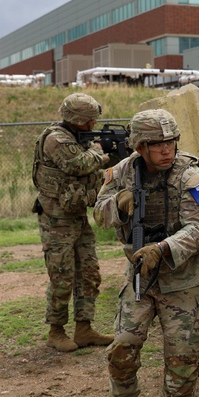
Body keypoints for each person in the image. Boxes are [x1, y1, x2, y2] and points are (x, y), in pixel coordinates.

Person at [94, 108, 199, 397]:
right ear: (139, 147)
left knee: (182, 356)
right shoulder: (121, 171)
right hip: (141, 276)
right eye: (157, 145)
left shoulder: (190, 175)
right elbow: (98, 212)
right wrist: (119, 206)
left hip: (184, 279)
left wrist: (163, 248)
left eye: (170, 142)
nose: (166, 150)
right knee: (122, 345)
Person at [32, 92, 115, 353]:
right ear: (76, 119)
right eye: (89, 120)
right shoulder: (57, 139)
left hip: (76, 215)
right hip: (56, 219)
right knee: (62, 276)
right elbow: (77, 165)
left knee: (89, 272)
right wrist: (101, 152)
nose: (93, 125)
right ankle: (56, 331)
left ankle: (84, 328)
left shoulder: (77, 138)